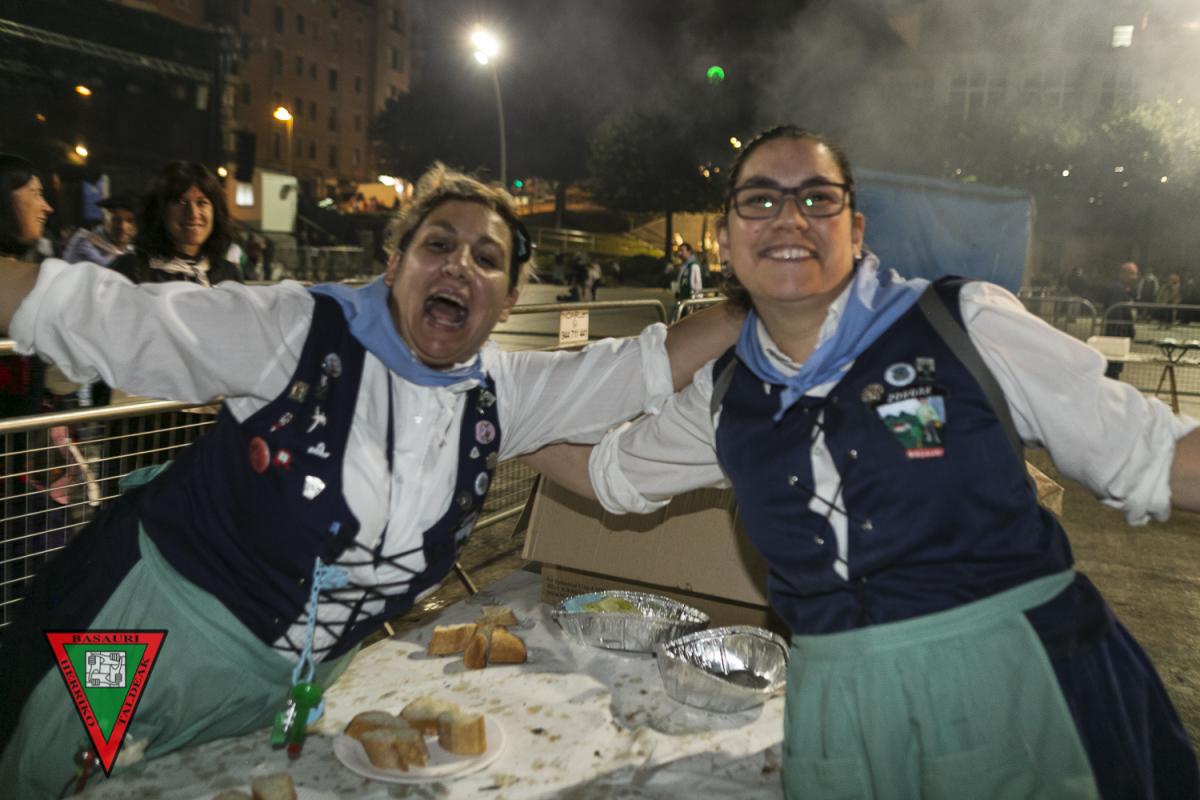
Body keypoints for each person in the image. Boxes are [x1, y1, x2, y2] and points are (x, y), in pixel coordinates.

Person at [0, 163, 737, 798]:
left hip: (274, 693)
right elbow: (95, 314)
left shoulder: (500, 393)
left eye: (487, 258)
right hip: (139, 645)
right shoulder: (297, 331)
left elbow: (642, 367)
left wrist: (757, 309)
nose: (458, 264)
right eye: (437, 244)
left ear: (508, 299)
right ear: (395, 264)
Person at [526, 126, 1200, 799]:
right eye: (760, 200)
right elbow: (608, 474)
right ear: (725, 242)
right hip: (842, 712)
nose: (790, 217)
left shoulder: (963, 324)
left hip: (1019, 684)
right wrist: (498, 420)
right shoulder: (725, 395)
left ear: (855, 229)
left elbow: (1158, 457)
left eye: (817, 198)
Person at [108, 161, 243, 286]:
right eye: (180, 202)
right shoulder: (131, 270)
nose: (193, 213)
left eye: (202, 203)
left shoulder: (228, 275)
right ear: (159, 210)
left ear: (215, 212)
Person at [1069, 260, 1139, 379]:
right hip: (1116, 334)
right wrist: (1122, 330)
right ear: (1123, 273)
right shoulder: (1118, 289)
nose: (1135, 277)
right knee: (1113, 368)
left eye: (1135, 274)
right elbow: (1115, 311)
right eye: (1132, 273)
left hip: (1118, 333)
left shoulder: (1123, 289)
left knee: (1114, 368)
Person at [62, 194, 137, 267]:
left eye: (130, 221)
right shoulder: (86, 244)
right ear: (106, 220)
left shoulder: (130, 249)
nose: (122, 226)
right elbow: (108, 268)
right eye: (116, 219)